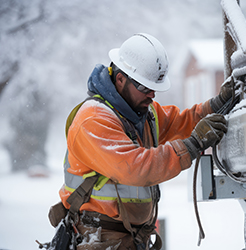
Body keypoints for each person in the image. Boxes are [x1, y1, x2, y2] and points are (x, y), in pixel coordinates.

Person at [58, 33, 233, 250]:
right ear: (120, 79)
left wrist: (215, 106)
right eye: (144, 87)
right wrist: (193, 145)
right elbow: (136, 167)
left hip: (130, 238)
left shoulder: (141, 112)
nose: (152, 95)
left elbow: (180, 123)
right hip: (99, 238)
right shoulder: (93, 120)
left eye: (155, 88)